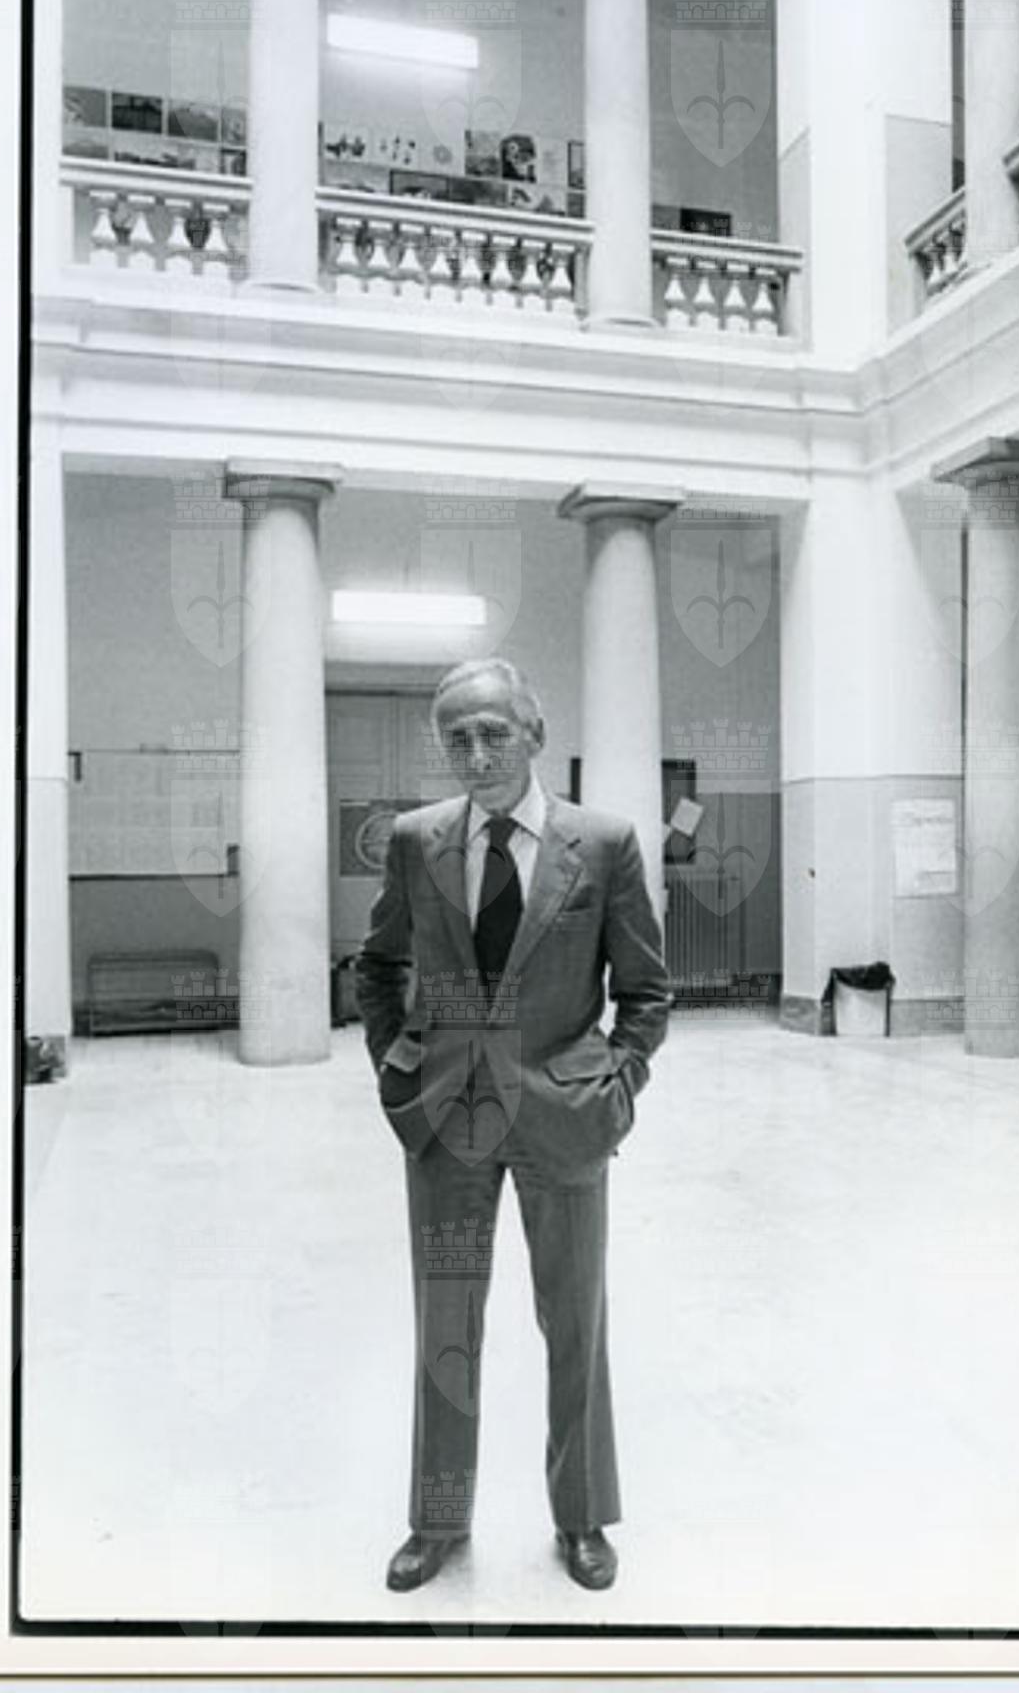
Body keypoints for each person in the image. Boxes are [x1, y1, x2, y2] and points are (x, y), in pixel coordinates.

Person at [355, 658, 670, 1594]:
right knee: (445, 1324)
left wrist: (614, 1085)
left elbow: (646, 991)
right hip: (447, 1118)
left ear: (535, 732)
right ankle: (437, 1521)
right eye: (456, 737)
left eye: (494, 732)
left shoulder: (602, 844)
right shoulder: (415, 841)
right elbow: (377, 965)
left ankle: (581, 1517)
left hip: (562, 1116)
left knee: (575, 1323)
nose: (476, 753)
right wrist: (395, 1063)